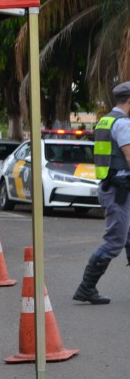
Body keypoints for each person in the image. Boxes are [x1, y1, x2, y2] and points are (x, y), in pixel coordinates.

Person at [73, 81, 130, 304]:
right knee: (115, 241)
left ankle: (87, 288)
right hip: (118, 190)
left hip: (114, 187)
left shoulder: (107, 120)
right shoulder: (123, 124)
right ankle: (86, 288)